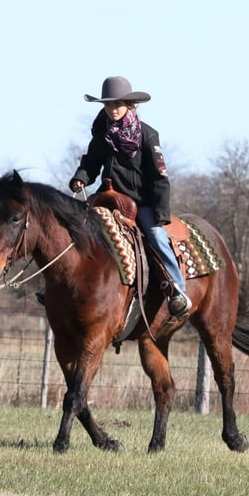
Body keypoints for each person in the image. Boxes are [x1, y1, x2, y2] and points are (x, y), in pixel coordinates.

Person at [69, 76, 192, 318]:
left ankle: (177, 289)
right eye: (108, 105)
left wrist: (160, 214)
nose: (112, 109)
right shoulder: (101, 135)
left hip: (140, 202)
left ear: (129, 105)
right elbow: (91, 163)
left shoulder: (147, 135)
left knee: (156, 236)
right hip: (107, 197)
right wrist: (80, 177)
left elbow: (160, 177)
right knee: (73, 227)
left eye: (117, 104)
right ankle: (61, 286)